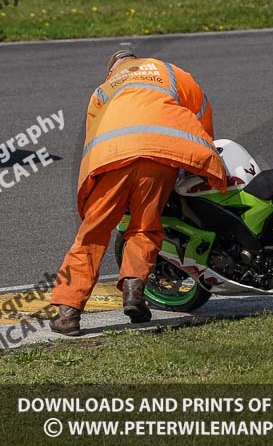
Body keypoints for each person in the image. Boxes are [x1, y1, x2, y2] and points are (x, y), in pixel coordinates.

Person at [50, 49, 227, 335]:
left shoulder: (104, 89)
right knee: (145, 227)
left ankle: (68, 313)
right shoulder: (170, 72)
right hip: (162, 154)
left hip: (113, 158)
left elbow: (92, 134)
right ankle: (134, 291)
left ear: (114, 70)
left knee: (92, 234)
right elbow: (202, 111)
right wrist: (202, 154)